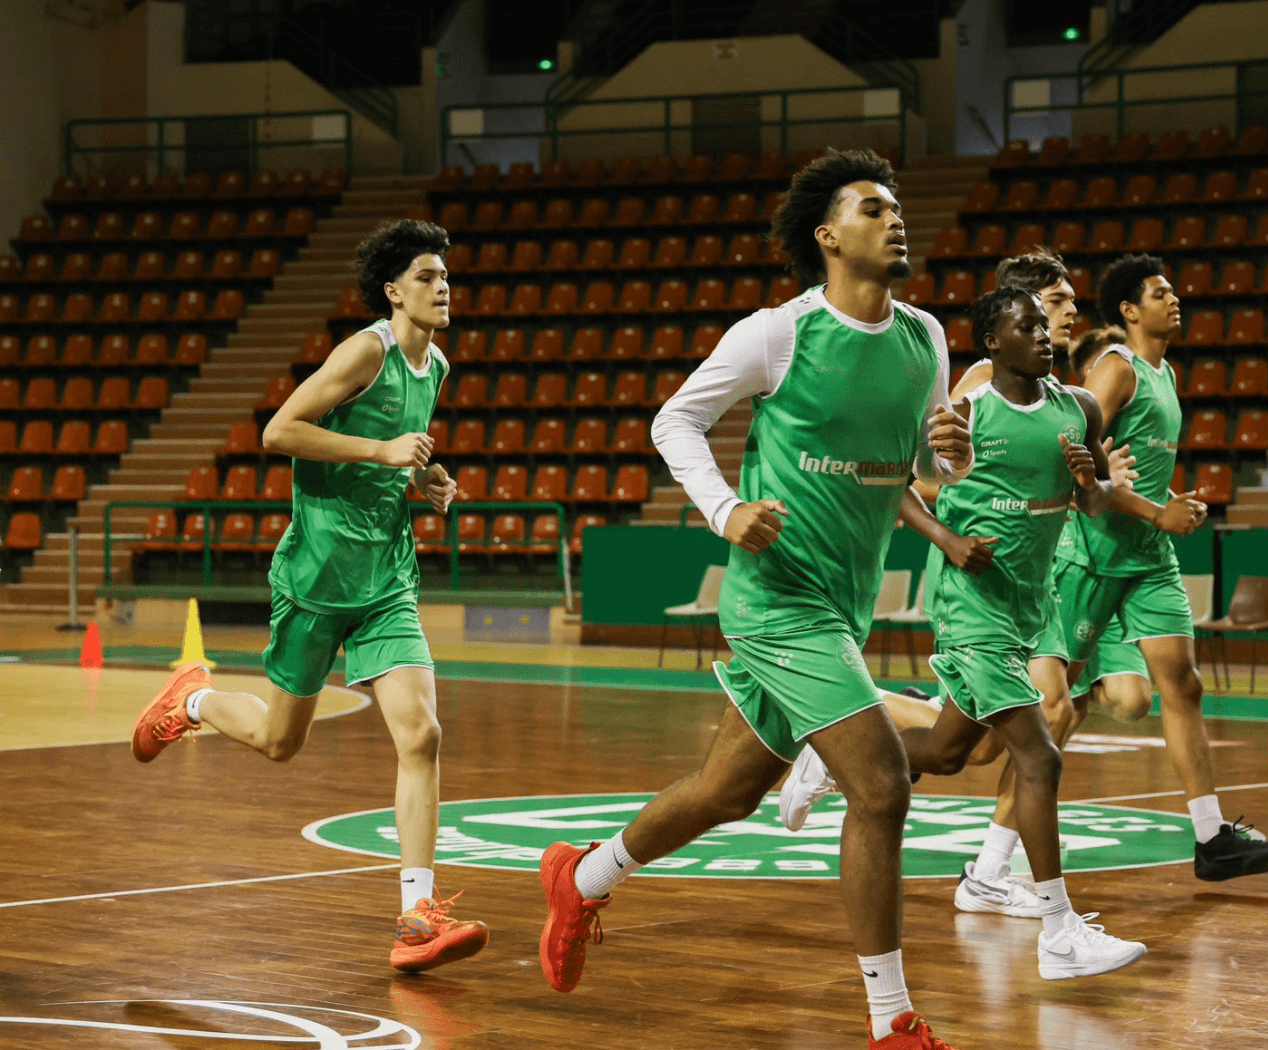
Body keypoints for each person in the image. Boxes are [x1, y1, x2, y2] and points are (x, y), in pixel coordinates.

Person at [537, 148, 974, 1050]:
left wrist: (954, 458)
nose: (894, 220)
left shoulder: (924, 337)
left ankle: (581, 879)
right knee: (884, 783)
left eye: (897, 209)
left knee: (726, 791)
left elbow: (926, 469)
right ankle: (891, 1019)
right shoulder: (777, 333)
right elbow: (675, 421)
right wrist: (725, 509)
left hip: (846, 603)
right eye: (872, 209)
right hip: (778, 602)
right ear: (827, 236)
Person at [129, 219, 489, 973]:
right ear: (394, 291)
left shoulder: (438, 367)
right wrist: (380, 450)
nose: (443, 285)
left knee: (421, 735)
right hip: (317, 576)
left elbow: (401, 450)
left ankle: (416, 916)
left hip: (387, 579)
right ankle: (191, 702)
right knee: (278, 743)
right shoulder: (367, 350)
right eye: (426, 276)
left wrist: (426, 478)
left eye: (445, 275)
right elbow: (279, 431)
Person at [894, 285, 1147, 978]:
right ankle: (1059, 933)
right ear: (991, 343)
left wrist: (1089, 483)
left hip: (1030, 607)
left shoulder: (1080, 406)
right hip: (970, 604)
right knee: (1040, 757)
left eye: (1046, 325)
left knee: (947, 754)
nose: (1044, 335)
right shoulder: (967, 412)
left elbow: (1092, 502)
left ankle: (837, 757)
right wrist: (946, 539)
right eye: (1026, 326)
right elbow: (896, 483)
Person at [1051, 254, 1268, 881]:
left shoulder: (1168, 374)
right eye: (1160, 293)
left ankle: (1212, 839)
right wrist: (1155, 511)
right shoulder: (1116, 369)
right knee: (1056, 711)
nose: (1174, 299)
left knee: (1183, 686)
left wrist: (1166, 507)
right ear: (1130, 310)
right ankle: (994, 857)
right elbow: (1074, 458)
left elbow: (1132, 466)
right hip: (1092, 557)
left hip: (1148, 560)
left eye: (1174, 291)